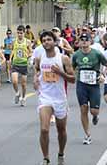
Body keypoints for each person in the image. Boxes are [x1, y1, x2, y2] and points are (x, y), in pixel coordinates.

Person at [33, 31, 75, 165]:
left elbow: (73, 79)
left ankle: (61, 152)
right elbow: (37, 70)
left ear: (54, 42)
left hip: (60, 98)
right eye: (44, 40)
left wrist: (60, 73)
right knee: (44, 129)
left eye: (49, 40)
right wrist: (35, 78)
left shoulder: (63, 59)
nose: (46, 42)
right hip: (45, 98)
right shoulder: (40, 58)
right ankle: (46, 158)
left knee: (61, 130)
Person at [72, 33, 107, 145]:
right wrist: (72, 76)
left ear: (90, 41)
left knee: (93, 111)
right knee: (83, 108)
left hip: (94, 85)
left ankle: (95, 115)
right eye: (82, 40)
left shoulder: (96, 54)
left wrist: (103, 75)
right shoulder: (76, 55)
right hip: (81, 85)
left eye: (86, 40)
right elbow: (71, 68)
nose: (84, 42)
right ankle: (87, 134)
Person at [11, 25, 33, 106]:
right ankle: (17, 93)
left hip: (24, 64)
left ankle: (23, 98)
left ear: (24, 33)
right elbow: (12, 50)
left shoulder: (27, 42)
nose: (19, 35)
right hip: (15, 63)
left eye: (21, 33)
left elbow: (31, 51)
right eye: (18, 33)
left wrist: (29, 56)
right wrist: (10, 59)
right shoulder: (14, 41)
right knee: (14, 81)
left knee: (23, 84)